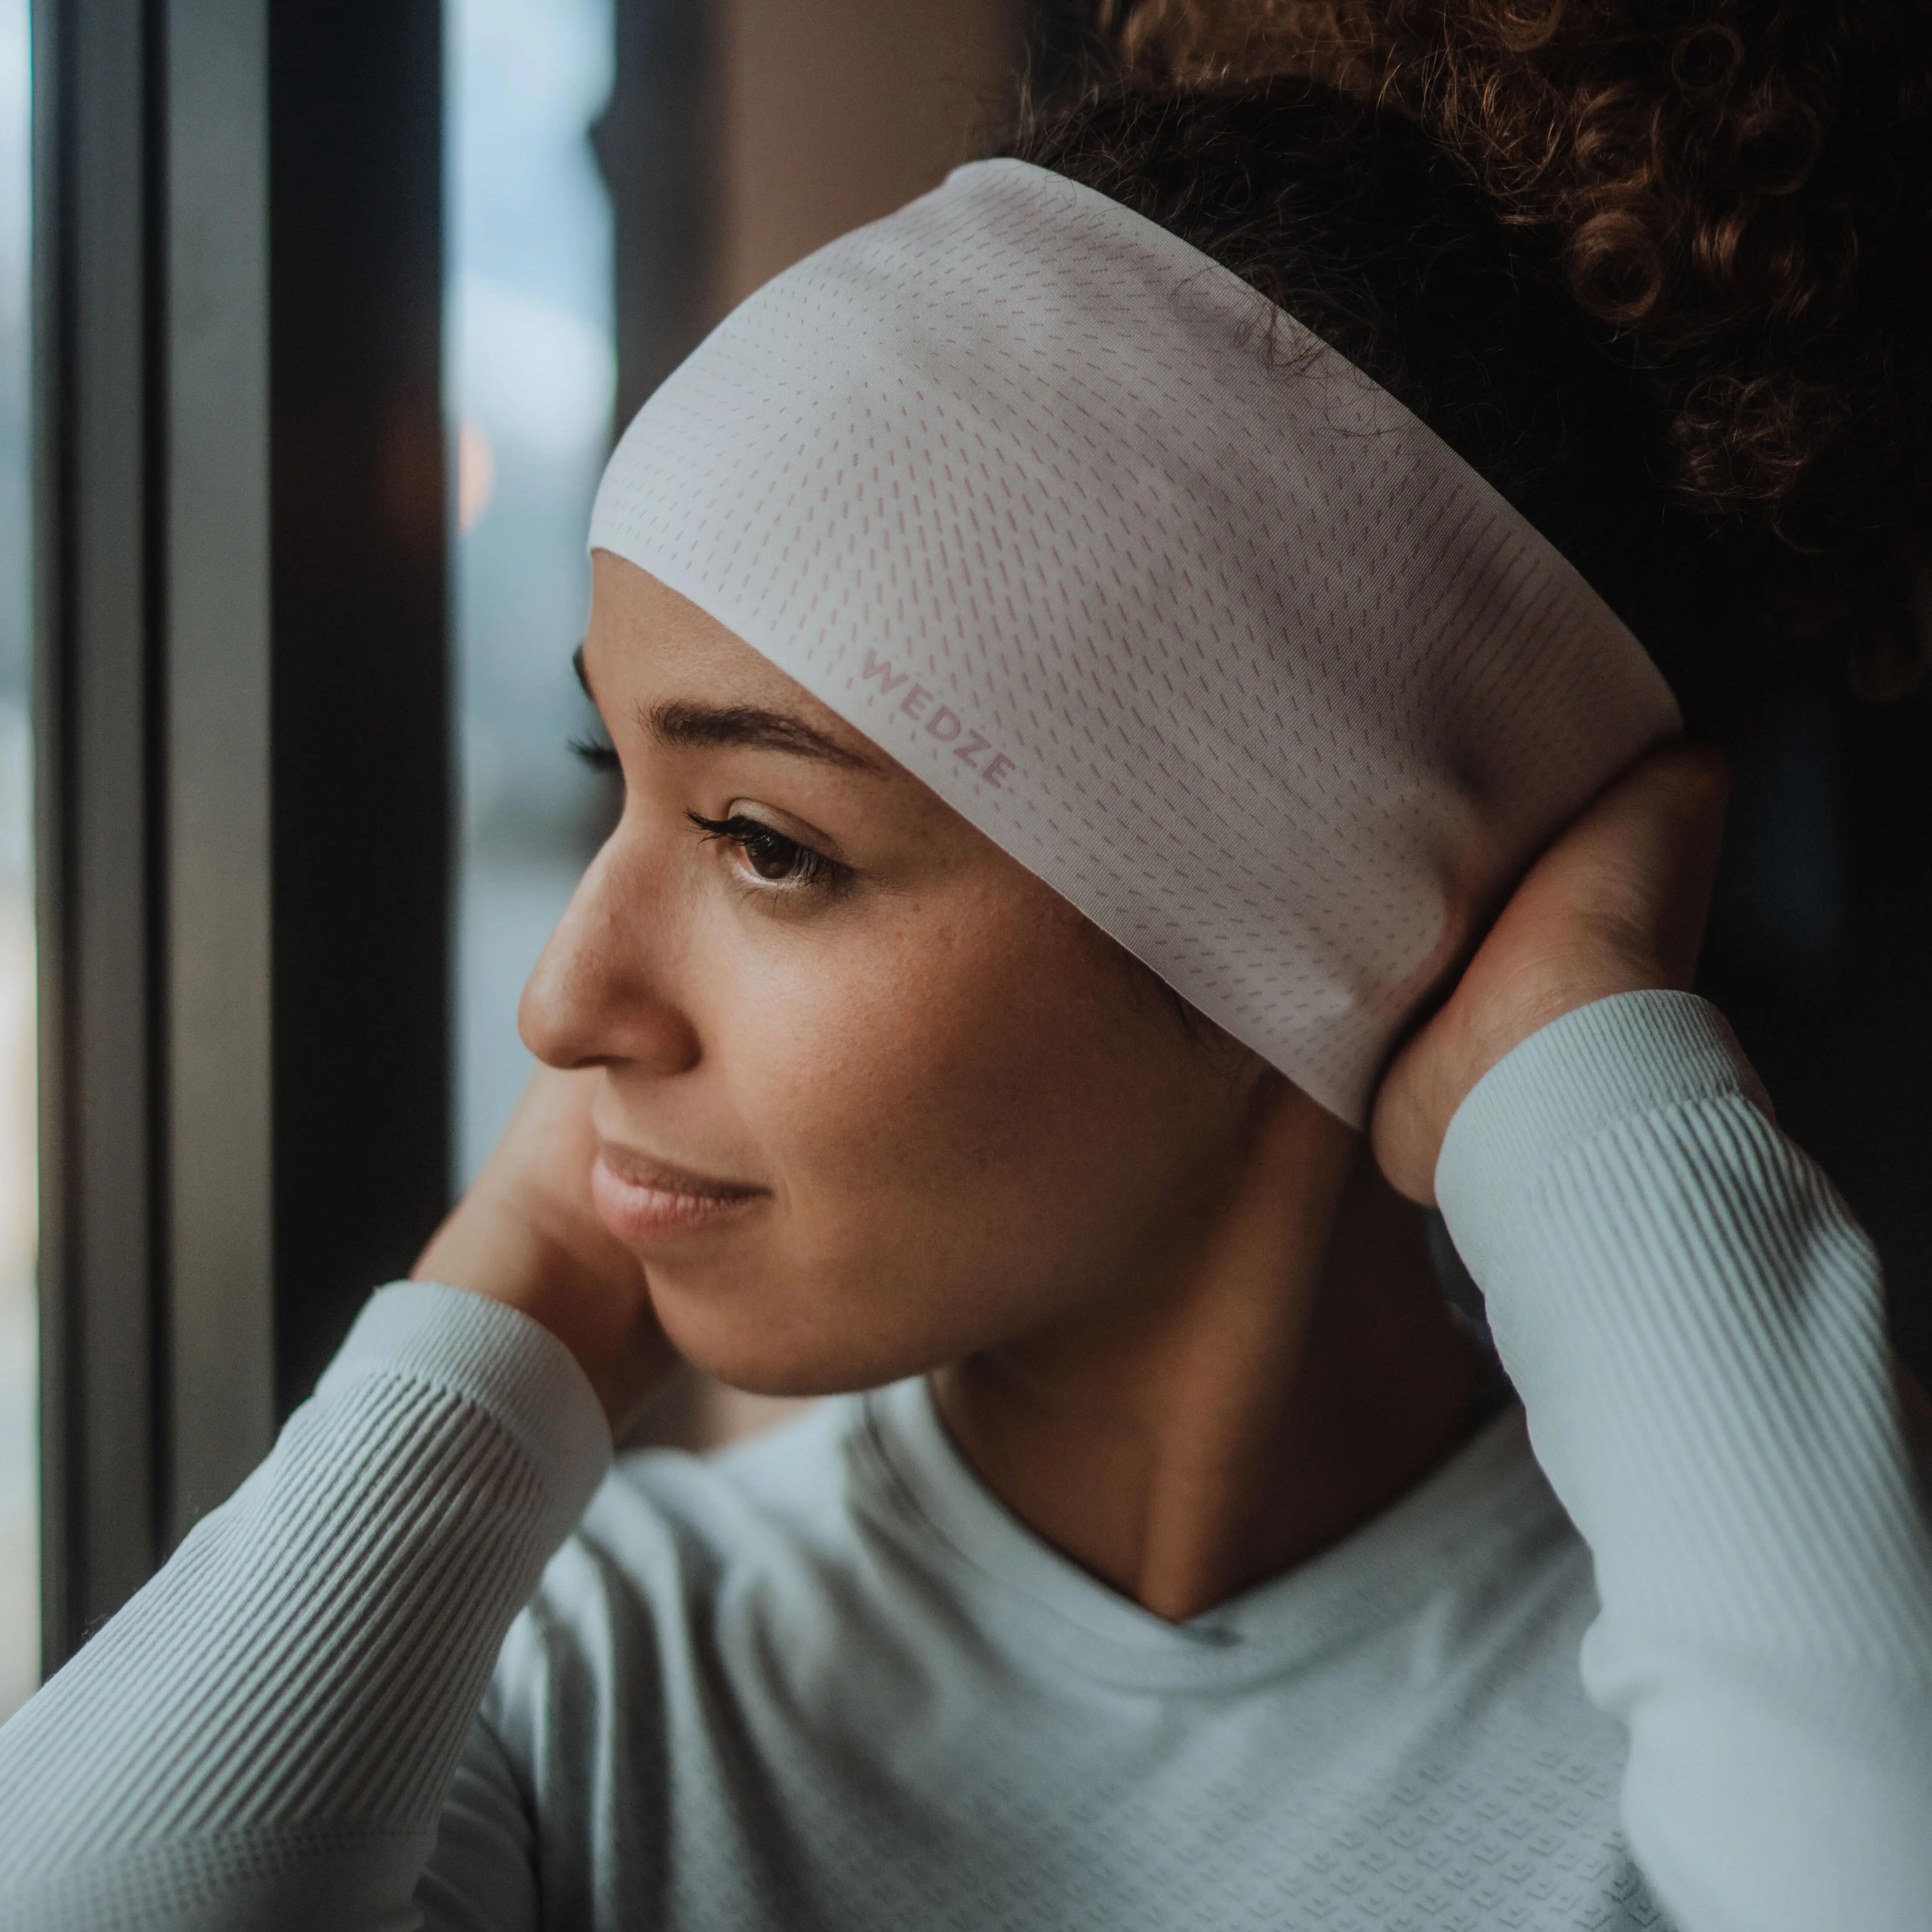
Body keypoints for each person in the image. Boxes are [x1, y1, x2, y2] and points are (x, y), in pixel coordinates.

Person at [5, 7, 1932, 1929]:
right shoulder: (571, 1685)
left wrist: (1580, 1089)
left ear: (1316, 939)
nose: (560, 1004)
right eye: (622, 777)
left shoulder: (1731, 1695)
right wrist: (525, 1269)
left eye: (767, 845)